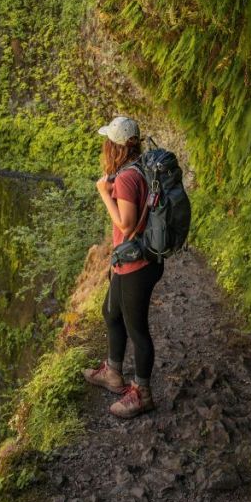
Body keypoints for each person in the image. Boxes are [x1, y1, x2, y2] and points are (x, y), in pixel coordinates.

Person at [82, 115, 164, 419]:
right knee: (110, 312)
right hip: (128, 260)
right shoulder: (138, 167)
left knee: (137, 330)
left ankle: (142, 394)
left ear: (114, 146)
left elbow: (127, 226)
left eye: (106, 142)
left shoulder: (128, 178)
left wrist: (104, 193)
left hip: (137, 264)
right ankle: (113, 373)